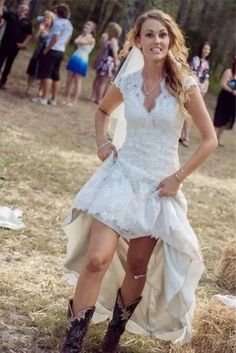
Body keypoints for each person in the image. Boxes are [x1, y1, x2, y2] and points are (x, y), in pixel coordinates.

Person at [61, 9, 218, 353]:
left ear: (171, 40)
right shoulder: (127, 83)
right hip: (121, 178)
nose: (156, 41)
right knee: (97, 259)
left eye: (162, 35)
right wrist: (103, 142)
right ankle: (71, 345)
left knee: (136, 266)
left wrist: (178, 178)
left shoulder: (184, 85)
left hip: (158, 187)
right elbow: (102, 111)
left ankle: (112, 338)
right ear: (137, 41)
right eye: (149, 34)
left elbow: (210, 140)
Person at [33, 3, 73, 106]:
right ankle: (53, 99)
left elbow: (55, 38)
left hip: (52, 50)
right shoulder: (69, 24)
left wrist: (47, 49)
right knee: (56, 75)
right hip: (61, 51)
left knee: (47, 74)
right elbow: (67, 39)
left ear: (58, 12)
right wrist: (62, 45)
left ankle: (44, 98)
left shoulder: (58, 23)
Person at [180, 42, 211, 147]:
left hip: (201, 90)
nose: (206, 51)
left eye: (208, 49)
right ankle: (185, 136)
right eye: (205, 49)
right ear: (201, 49)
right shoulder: (195, 60)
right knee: (186, 111)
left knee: (191, 113)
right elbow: (191, 72)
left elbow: (206, 78)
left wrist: (205, 88)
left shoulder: (207, 64)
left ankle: (184, 135)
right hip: (192, 87)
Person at [0, 0, 32, 89]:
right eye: (21, 8)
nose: (23, 10)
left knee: (8, 65)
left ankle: (3, 82)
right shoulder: (11, 15)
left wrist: (24, 44)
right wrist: (1, 3)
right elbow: (1, 15)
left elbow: (29, 35)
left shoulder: (27, 22)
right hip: (4, 43)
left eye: (25, 9)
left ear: (27, 12)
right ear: (18, 8)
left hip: (15, 47)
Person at [63, 21, 96, 107]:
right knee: (69, 80)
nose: (85, 29)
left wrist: (81, 39)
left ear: (92, 30)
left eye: (88, 28)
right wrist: (80, 39)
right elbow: (76, 41)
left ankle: (74, 101)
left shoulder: (91, 39)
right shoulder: (82, 36)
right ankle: (66, 98)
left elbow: (81, 42)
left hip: (82, 59)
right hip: (75, 57)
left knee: (78, 80)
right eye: (85, 27)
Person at [91, 22, 122, 104]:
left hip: (105, 61)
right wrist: (117, 62)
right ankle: (99, 99)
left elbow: (106, 52)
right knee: (103, 81)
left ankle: (96, 97)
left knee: (100, 80)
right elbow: (113, 52)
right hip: (108, 62)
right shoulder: (112, 40)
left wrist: (96, 60)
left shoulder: (109, 40)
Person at [26, 10, 55, 95]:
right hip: (38, 51)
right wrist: (39, 30)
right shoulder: (41, 27)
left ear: (52, 20)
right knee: (32, 70)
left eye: (48, 18)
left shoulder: (54, 30)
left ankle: (40, 90)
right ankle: (28, 88)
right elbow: (35, 39)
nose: (46, 19)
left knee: (43, 72)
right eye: (45, 18)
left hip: (47, 53)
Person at [213, 57, 236, 146]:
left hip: (233, 100)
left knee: (228, 119)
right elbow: (222, 83)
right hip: (225, 97)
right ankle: (214, 137)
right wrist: (231, 90)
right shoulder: (228, 72)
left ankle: (219, 136)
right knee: (220, 116)